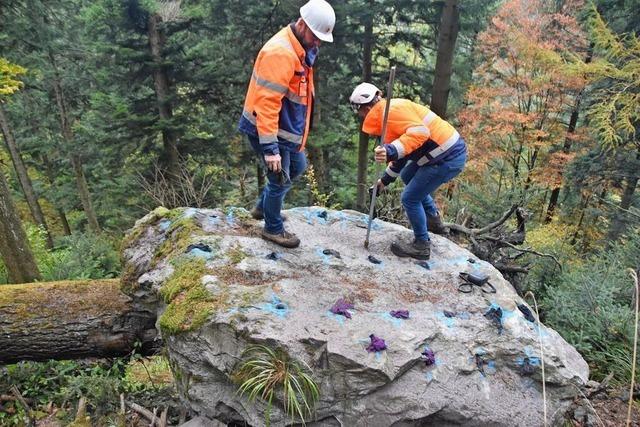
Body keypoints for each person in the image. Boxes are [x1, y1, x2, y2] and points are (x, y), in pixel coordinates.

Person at [238, 0, 335, 248]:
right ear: (301, 24)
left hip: (285, 130)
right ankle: (272, 228)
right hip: (269, 131)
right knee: (280, 179)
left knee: (298, 166)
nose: (318, 43)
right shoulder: (280, 54)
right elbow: (267, 104)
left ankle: (263, 208)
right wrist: (270, 150)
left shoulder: (300, 47)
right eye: (315, 36)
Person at [349, 82, 467, 260]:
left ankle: (421, 245)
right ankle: (433, 221)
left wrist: (390, 151)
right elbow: (403, 154)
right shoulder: (387, 113)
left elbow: (420, 133)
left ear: (364, 109)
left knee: (410, 198)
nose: (359, 116)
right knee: (407, 175)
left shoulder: (392, 113)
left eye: (358, 112)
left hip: (447, 158)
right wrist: (384, 181)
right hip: (441, 154)